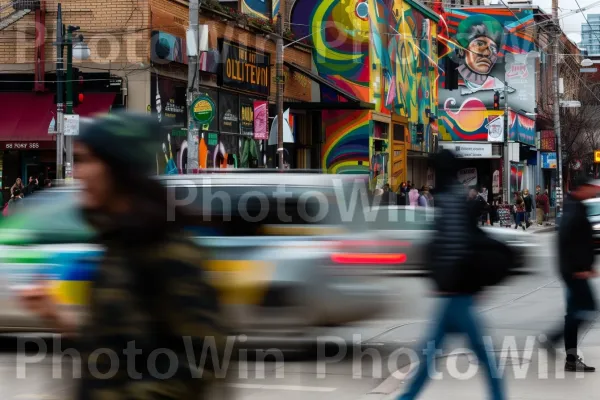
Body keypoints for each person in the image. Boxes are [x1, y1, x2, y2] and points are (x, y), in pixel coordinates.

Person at [19, 113, 228, 399]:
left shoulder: (167, 251)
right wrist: (61, 318)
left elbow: (201, 363)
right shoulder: (118, 244)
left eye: (87, 161)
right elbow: (117, 350)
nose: (78, 174)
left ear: (117, 169)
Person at [397, 150, 514, 400]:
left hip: (455, 292)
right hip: (457, 293)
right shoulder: (456, 197)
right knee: (470, 355)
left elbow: (452, 246)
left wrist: (443, 280)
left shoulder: (448, 199)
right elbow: (460, 243)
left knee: (438, 356)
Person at [541, 177, 600, 372]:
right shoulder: (574, 210)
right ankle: (553, 339)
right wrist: (579, 268)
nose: (594, 191)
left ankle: (570, 359)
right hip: (574, 272)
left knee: (575, 313)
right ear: (582, 188)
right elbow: (566, 242)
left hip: (574, 270)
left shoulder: (575, 206)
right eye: (592, 188)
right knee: (587, 309)